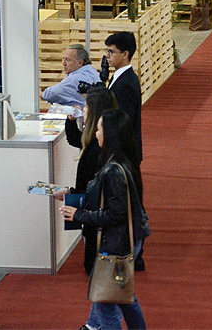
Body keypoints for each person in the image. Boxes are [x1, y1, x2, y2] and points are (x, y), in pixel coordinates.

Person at [62, 109, 150, 330]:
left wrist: (79, 215)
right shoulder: (121, 162)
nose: (96, 133)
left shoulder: (113, 170)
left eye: (99, 129)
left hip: (116, 243)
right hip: (127, 240)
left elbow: (115, 213)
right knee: (124, 297)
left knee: (104, 301)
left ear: (109, 134)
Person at [56, 88, 117, 277]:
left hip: (97, 218)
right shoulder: (99, 140)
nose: (83, 110)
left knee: (98, 273)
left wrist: (72, 193)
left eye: (86, 106)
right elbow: (77, 139)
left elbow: (92, 187)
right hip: (95, 216)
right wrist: (70, 122)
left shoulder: (98, 150)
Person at [104, 32, 145, 271]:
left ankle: (135, 253)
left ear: (125, 54)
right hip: (123, 152)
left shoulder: (127, 83)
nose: (107, 56)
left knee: (130, 204)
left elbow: (125, 122)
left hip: (125, 154)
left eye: (111, 52)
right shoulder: (119, 79)